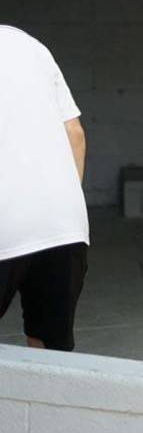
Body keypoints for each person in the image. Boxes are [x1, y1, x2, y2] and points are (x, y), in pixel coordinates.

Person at [0, 26, 89, 351]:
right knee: (50, 351)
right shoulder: (28, 44)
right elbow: (75, 133)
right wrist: (63, 196)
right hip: (63, 225)